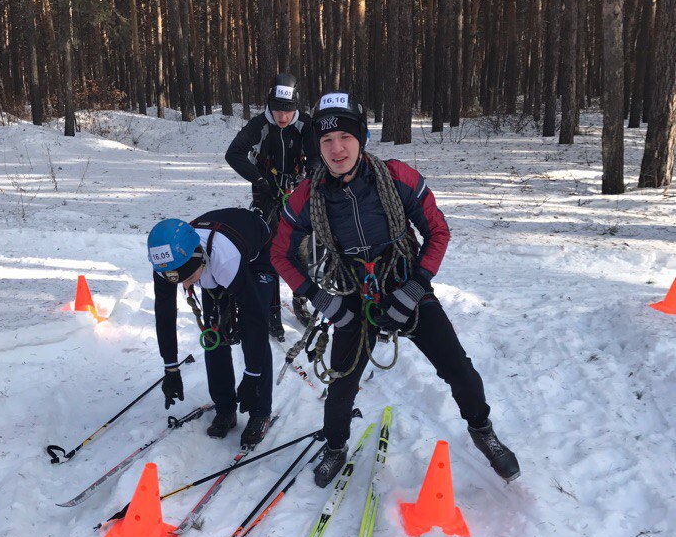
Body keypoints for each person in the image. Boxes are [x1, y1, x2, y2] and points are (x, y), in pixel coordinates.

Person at [271, 91, 520, 486]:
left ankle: (483, 430)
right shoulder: (306, 196)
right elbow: (280, 254)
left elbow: (437, 231)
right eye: (326, 140)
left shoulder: (397, 177)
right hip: (353, 294)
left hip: (405, 281)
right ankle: (335, 446)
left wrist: (414, 288)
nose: (337, 149)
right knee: (341, 385)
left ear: (361, 138)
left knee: (458, 368)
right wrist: (323, 300)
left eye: (345, 137)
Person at [148, 208, 276, 449]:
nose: (185, 286)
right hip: (211, 261)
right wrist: (170, 368)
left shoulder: (225, 260)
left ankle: (260, 412)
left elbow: (255, 319)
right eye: (178, 280)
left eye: (188, 278)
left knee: (251, 331)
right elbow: (164, 315)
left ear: (198, 259)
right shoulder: (165, 265)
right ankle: (225, 407)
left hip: (256, 254)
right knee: (214, 334)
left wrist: (253, 376)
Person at [225, 73, 319, 340]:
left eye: (288, 110)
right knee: (267, 248)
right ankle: (270, 307)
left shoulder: (305, 124)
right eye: (277, 110)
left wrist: (309, 179)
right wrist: (259, 180)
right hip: (265, 189)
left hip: (296, 191)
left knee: (303, 246)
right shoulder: (259, 124)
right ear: (269, 105)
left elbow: (316, 156)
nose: (283, 116)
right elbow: (233, 153)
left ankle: (301, 298)